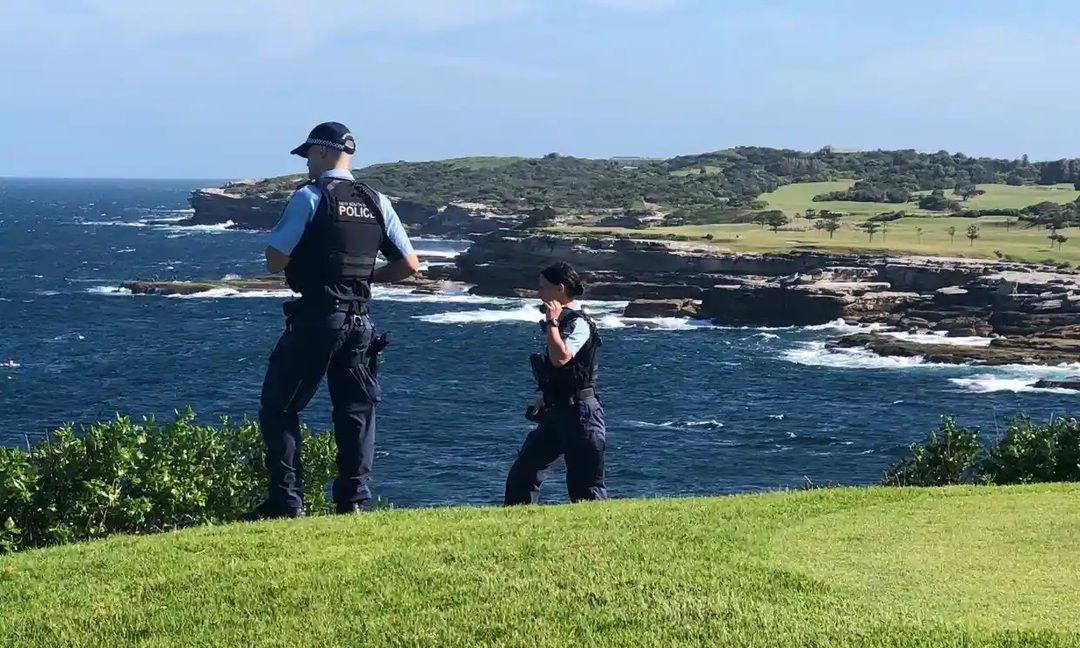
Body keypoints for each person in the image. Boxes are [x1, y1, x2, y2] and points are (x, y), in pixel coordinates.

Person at [245, 121, 420, 520]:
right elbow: (410, 264)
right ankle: (353, 501)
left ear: (323, 152)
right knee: (356, 411)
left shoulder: (310, 196)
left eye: (309, 154)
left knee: (279, 407)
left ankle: (287, 502)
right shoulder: (376, 200)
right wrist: (364, 278)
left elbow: (275, 259)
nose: (307, 162)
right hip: (361, 323)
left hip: (318, 319)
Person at [504, 261, 607, 505]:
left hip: (581, 413)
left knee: (585, 487)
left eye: (543, 287)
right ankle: (517, 520)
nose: (539, 292)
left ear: (559, 289)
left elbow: (561, 358)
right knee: (523, 473)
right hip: (557, 410)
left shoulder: (578, 323)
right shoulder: (563, 322)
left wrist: (552, 323)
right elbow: (560, 371)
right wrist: (545, 397)